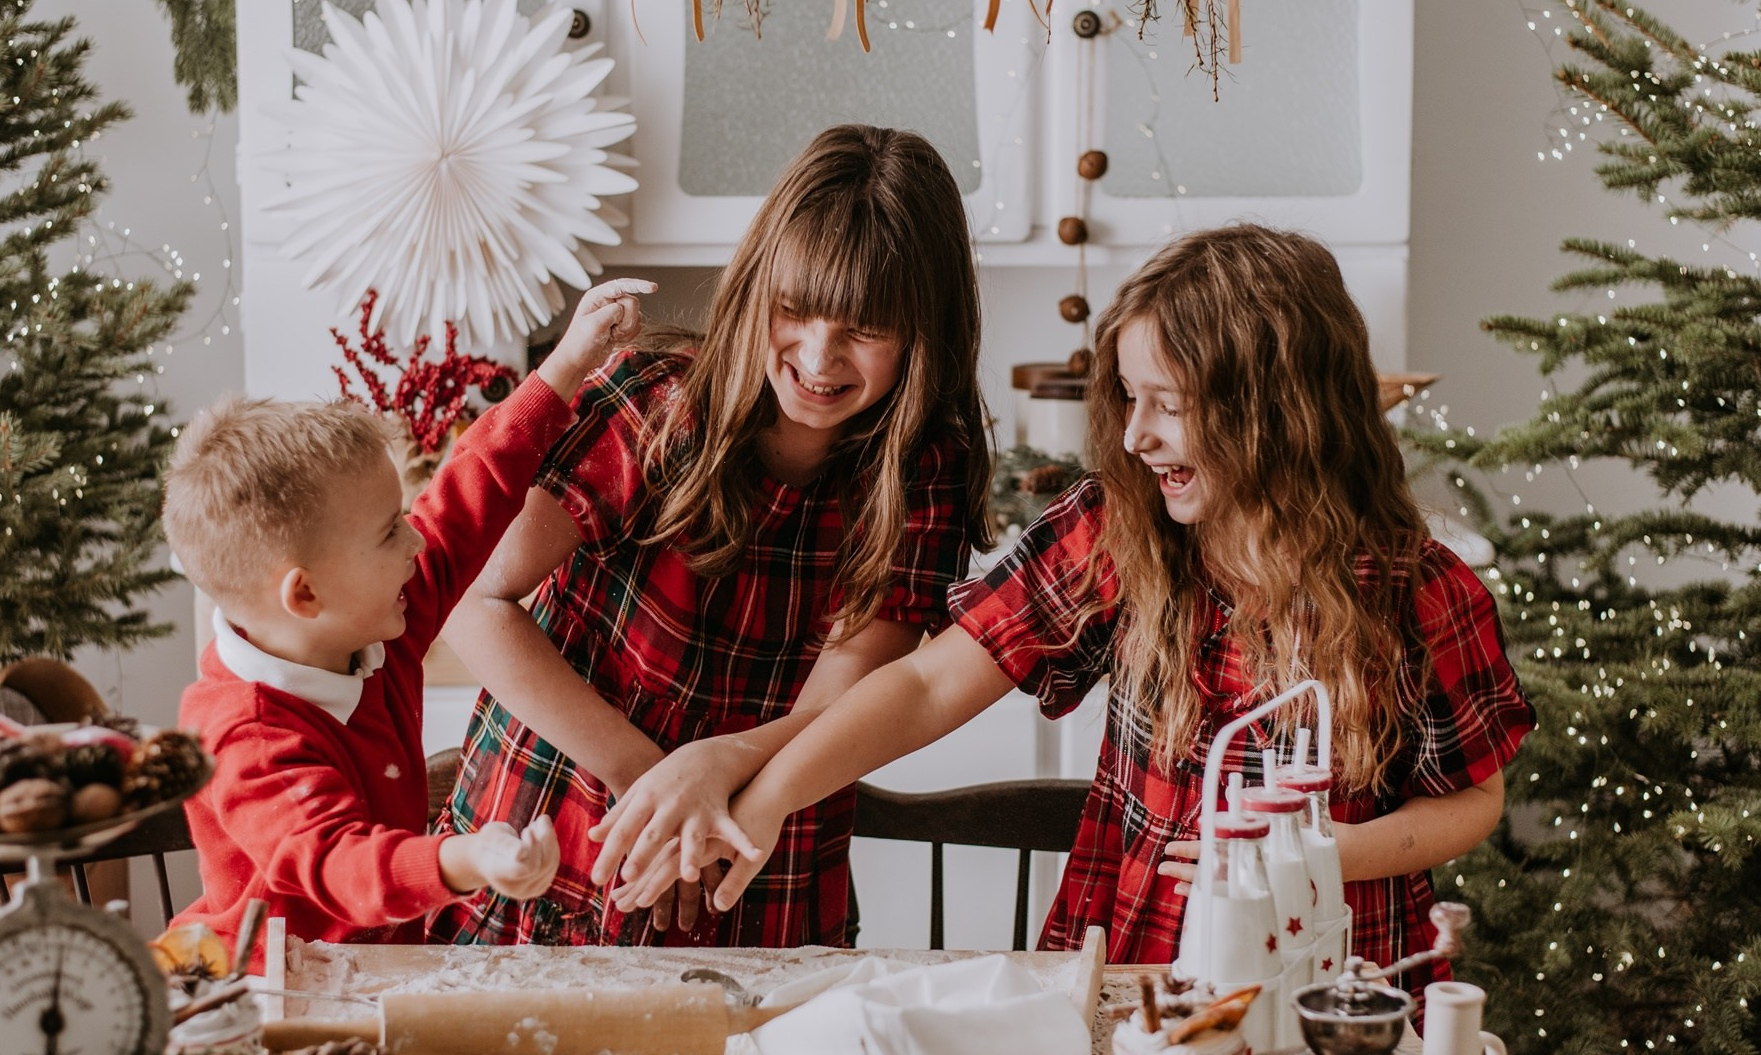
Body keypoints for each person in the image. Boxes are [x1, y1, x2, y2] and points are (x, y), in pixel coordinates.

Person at [610, 225, 1535, 978]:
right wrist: (769, 795)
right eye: (1128, 399)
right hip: (1131, 962)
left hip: (1335, 975)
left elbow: (1472, 801)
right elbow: (932, 682)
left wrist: (1323, 853)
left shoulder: (1423, 596)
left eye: (1166, 404)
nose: (1133, 437)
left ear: (1274, 407)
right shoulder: (1116, 533)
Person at [429, 124, 995, 948]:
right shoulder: (652, 405)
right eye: (795, 310)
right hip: (559, 832)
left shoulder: (925, 469)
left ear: (923, 332)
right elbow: (475, 600)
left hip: (756, 864)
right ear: (758, 285)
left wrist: (717, 782)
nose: (818, 354)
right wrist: (655, 782)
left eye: (865, 328)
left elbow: (846, 698)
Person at [162, 278, 653, 964]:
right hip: (268, 998)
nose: (416, 542)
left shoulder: (360, 622)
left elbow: (463, 498)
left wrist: (566, 365)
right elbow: (340, 863)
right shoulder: (247, 734)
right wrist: (465, 858)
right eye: (390, 531)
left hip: (376, 973)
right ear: (304, 595)